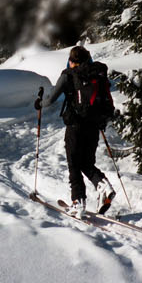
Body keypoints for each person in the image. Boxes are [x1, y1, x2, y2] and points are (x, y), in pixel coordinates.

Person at [36, 46, 116, 217]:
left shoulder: (68, 75)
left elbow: (50, 100)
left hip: (76, 126)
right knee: (86, 163)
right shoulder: (97, 74)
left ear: (71, 61)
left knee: (74, 164)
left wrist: (39, 103)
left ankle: (78, 202)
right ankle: (103, 185)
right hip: (94, 126)